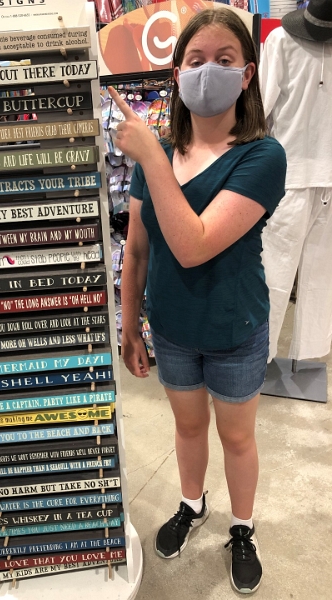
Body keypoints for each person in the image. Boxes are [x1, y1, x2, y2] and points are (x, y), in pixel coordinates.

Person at [108, 7, 286, 595]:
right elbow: (138, 251)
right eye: (195, 59)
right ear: (177, 72)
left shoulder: (262, 156)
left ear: (247, 73)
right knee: (188, 428)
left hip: (235, 327)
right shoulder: (158, 152)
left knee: (237, 437)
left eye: (224, 60)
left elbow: (194, 245)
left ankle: (243, 526)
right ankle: (192, 503)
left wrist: (152, 157)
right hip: (173, 327)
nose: (208, 71)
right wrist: (129, 327)